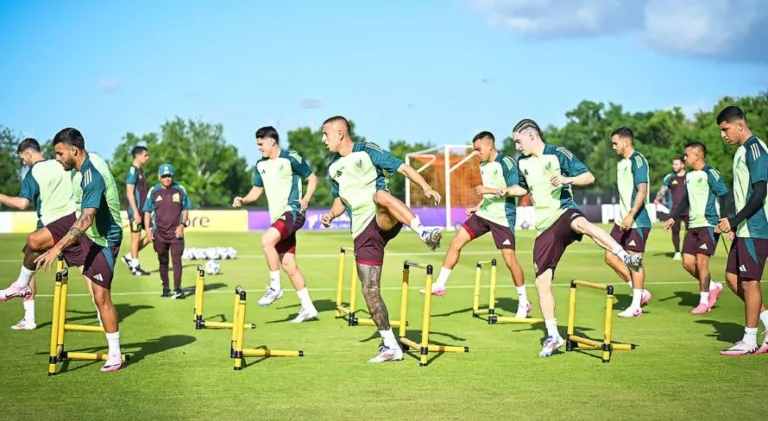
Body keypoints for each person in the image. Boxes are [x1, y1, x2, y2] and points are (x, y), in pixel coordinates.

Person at [495, 119, 643, 358]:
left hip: (563, 211)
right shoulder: (522, 163)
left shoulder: (558, 154)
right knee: (541, 283)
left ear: (531, 136)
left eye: (518, 140)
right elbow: (523, 188)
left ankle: (625, 256)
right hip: (543, 228)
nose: (517, 145)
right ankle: (553, 336)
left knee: (582, 223)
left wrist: (566, 180)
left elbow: (588, 176)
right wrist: (506, 191)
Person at [319, 115, 443, 363]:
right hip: (362, 233)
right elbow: (340, 200)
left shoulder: (366, 150)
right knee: (369, 290)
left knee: (380, 196)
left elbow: (403, 167)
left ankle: (423, 232)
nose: (323, 139)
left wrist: (425, 187)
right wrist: (331, 215)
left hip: (382, 218)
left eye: (326, 134)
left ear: (341, 133)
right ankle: (391, 346)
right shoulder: (333, 168)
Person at [34, 127, 125, 372]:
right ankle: (22, 283)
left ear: (74, 150)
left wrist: (56, 249)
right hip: (89, 233)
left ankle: (115, 354)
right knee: (35, 240)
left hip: (104, 240)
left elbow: (85, 221)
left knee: (101, 298)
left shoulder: (91, 176)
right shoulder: (78, 172)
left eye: (60, 153)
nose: (57, 158)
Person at [419, 131, 531, 318]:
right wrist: (478, 206)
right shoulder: (483, 164)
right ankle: (439, 285)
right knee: (456, 242)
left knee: (510, 260)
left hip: (502, 217)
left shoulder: (506, 162)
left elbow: (520, 189)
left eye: (478, 149)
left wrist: (491, 190)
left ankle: (523, 301)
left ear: (489, 146)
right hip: (484, 213)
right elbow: (489, 194)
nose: (476, 153)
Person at [232, 126, 320, 323]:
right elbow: (256, 192)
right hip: (278, 218)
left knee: (266, 240)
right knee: (288, 264)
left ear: (272, 141)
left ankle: (275, 288)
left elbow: (312, 178)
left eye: (260, 144)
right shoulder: (260, 165)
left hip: (292, 212)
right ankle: (308, 308)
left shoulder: (291, 158)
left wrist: (306, 198)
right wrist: (243, 200)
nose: (258, 148)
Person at [0, 138, 77, 331]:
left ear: (27, 153)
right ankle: (103, 317)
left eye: (22, 159)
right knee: (86, 273)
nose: (23, 163)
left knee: (29, 259)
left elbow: (22, 204)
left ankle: (29, 316)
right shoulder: (62, 165)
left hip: (49, 226)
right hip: (74, 224)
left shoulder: (33, 173)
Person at [714, 106, 768, 356]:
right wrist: (731, 220)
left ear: (739, 125)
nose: (723, 135)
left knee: (749, 282)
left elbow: (759, 194)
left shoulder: (755, 148)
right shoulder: (741, 152)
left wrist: (734, 220)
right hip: (745, 227)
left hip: (757, 227)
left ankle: (749, 340)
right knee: (733, 279)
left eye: (725, 129)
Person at [663, 142, 726, 314]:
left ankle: (704, 302)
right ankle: (713, 286)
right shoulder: (689, 176)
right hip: (693, 225)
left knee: (702, 262)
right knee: (688, 263)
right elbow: (685, 200)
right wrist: (673, 218)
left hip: (709, 224)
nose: (685, 158)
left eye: (687, 155)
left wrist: (726, 220)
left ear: (697, 155)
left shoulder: (711, 173)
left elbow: (724, 195)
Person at [605, 127, 652, 318]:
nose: (613, 147)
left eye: (615, 143)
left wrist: (631, 214)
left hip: (637, 221)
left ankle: (636, 306)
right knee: (610, 256)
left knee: (634, 263)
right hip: (620, 221)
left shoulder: (638, 160)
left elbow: (642, 190)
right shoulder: (620, 164)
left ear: (626, 142)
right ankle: (639, 291)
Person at [144, 163, 191, 298]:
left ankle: (177, 288)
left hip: (176, 233)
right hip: (159, 233)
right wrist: (147, 230)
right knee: (163, 261)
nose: (167, 179)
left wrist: (182, 225)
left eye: (169, 176)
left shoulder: (180, 189)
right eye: (164, 176)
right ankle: (165, 288)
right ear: (159, 177)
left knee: (177, 260)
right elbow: (147, 212)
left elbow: (186, 209)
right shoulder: (154, 191)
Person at [121, 145, 151, 276]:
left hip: (144, 211)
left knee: (152, 234)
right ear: (138, 156)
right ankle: (135, 266)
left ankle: (129, 257)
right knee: (136, 236)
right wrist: (135, 212)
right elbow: (129, 192)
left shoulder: (140, 171)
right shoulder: (132, 171)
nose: (147, 157)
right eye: (145, 155)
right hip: (136, 211)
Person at [654, 156, 687, 260]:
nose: (674, 166)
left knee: (690, 232)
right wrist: (657, 198)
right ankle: (677, 252)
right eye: (673, 164)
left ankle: (686, 252)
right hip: (674, 210)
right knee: (675, 231)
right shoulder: (670, 177)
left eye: (676, 164)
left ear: (682, 165)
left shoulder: (690, 176)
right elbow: (663, 189)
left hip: (689, 210)